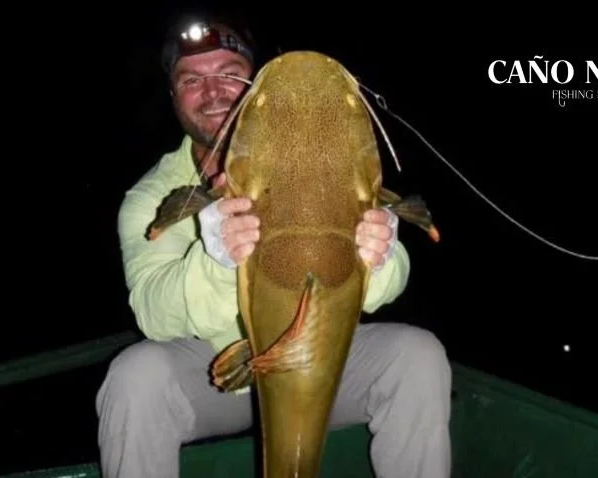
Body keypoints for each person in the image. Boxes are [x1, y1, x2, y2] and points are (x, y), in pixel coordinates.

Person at [95, 11, 452, 478]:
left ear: (253, 86)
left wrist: (377, 256)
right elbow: (152, 313)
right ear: (172, 96)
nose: (212, 91)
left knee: (416, 356)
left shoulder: (329, 154)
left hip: (318, 357)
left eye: (229, 73)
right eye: (191, 80)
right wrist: (218, 260)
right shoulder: (152, 197)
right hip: (214, 372)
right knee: (133, 379)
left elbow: (386, 286)